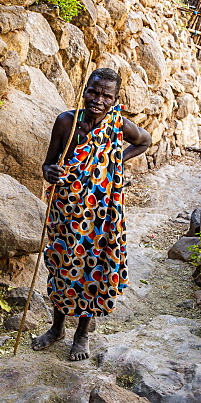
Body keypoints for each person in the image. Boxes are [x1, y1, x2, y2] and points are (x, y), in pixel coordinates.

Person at [32, 68, 151, 361]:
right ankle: (57, 328)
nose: (98, 100)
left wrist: (116, 160)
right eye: (93, 92)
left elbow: (145, 141)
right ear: (85, 90)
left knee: (91, 269)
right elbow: (47, 167)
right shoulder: (66, 122)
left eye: (106, 96)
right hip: (66, 209)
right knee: (61, 266)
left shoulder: (118, 125)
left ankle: (81, 335)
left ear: (115, 99)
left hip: (102, 213)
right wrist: (51, 172)